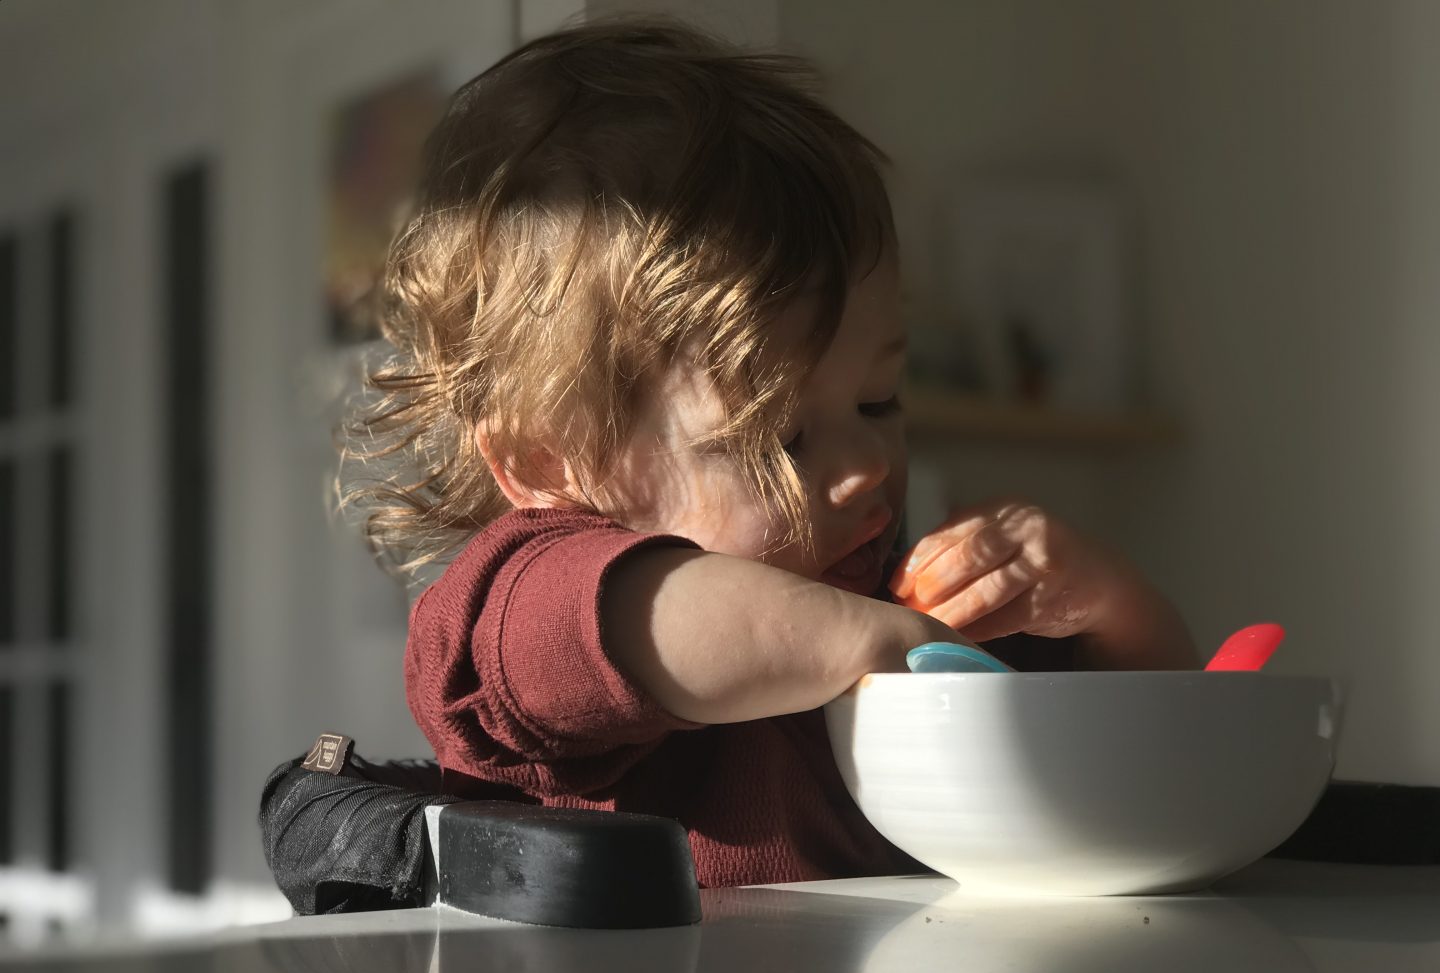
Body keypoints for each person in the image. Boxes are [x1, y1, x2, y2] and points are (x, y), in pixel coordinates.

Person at [340, 18, 1197, 890]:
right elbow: (636, 615)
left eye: (879, 401)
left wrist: (1107, 604)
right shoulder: (512, 611)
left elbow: (1162, 763)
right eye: (781, 433)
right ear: (549, 460)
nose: (867, 463)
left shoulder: (885, 596)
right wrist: (881, 644)